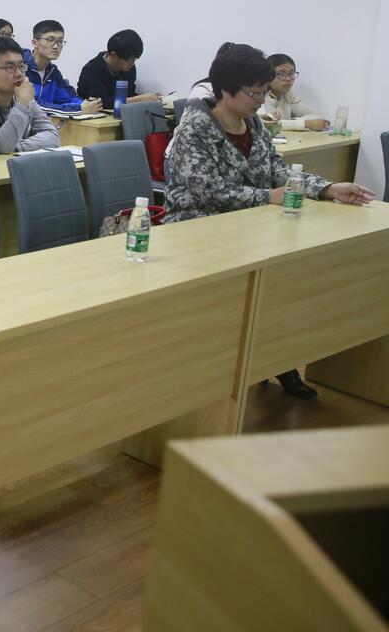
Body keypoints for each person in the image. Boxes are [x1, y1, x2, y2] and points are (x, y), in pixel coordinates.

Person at [165, 42, 373, 398]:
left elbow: (278, 171)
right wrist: (267, 197)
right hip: (197, 228)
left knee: (285, 282)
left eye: (263, 92)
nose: (261, 100)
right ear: (226, 90)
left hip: (249, 225)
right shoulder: (194, 129)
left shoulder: (253, 125)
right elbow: (208, 190)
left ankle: (275, 358)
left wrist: (326, 188)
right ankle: (238, 367)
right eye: (254, 93)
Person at [0, 36, 60, 153]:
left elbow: (53, 137)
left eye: (21, 66)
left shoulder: (22, 95)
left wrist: (16, 146)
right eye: (10, 67)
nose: (19, 74)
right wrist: (22, 104)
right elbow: (1, 147)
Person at [22, 20, 102, 113]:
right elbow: (32, 105)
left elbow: (68, 97)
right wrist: (79, 109)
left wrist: (86, 103)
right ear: (35, 43)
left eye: (60, 41)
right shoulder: (20, 68)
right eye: (50, 40)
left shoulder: (52, 72)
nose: (56, 46)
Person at [76, 29, 163, 109]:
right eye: (128, 61)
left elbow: (129, 95)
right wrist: (139, 99)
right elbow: (102, 103)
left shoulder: (129, 69)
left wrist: (151, 99)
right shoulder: (91, 70)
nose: (131, 64)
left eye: (134, 60)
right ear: (113, 55)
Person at [259, 54, 328, 132]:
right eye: (281, 74)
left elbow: (316, 115)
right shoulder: (260, 96)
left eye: (291, 73)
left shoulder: (287, 95)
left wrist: (290, 122)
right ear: (268, 75)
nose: (288, 79)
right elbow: (267, 124)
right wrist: (306, 124)